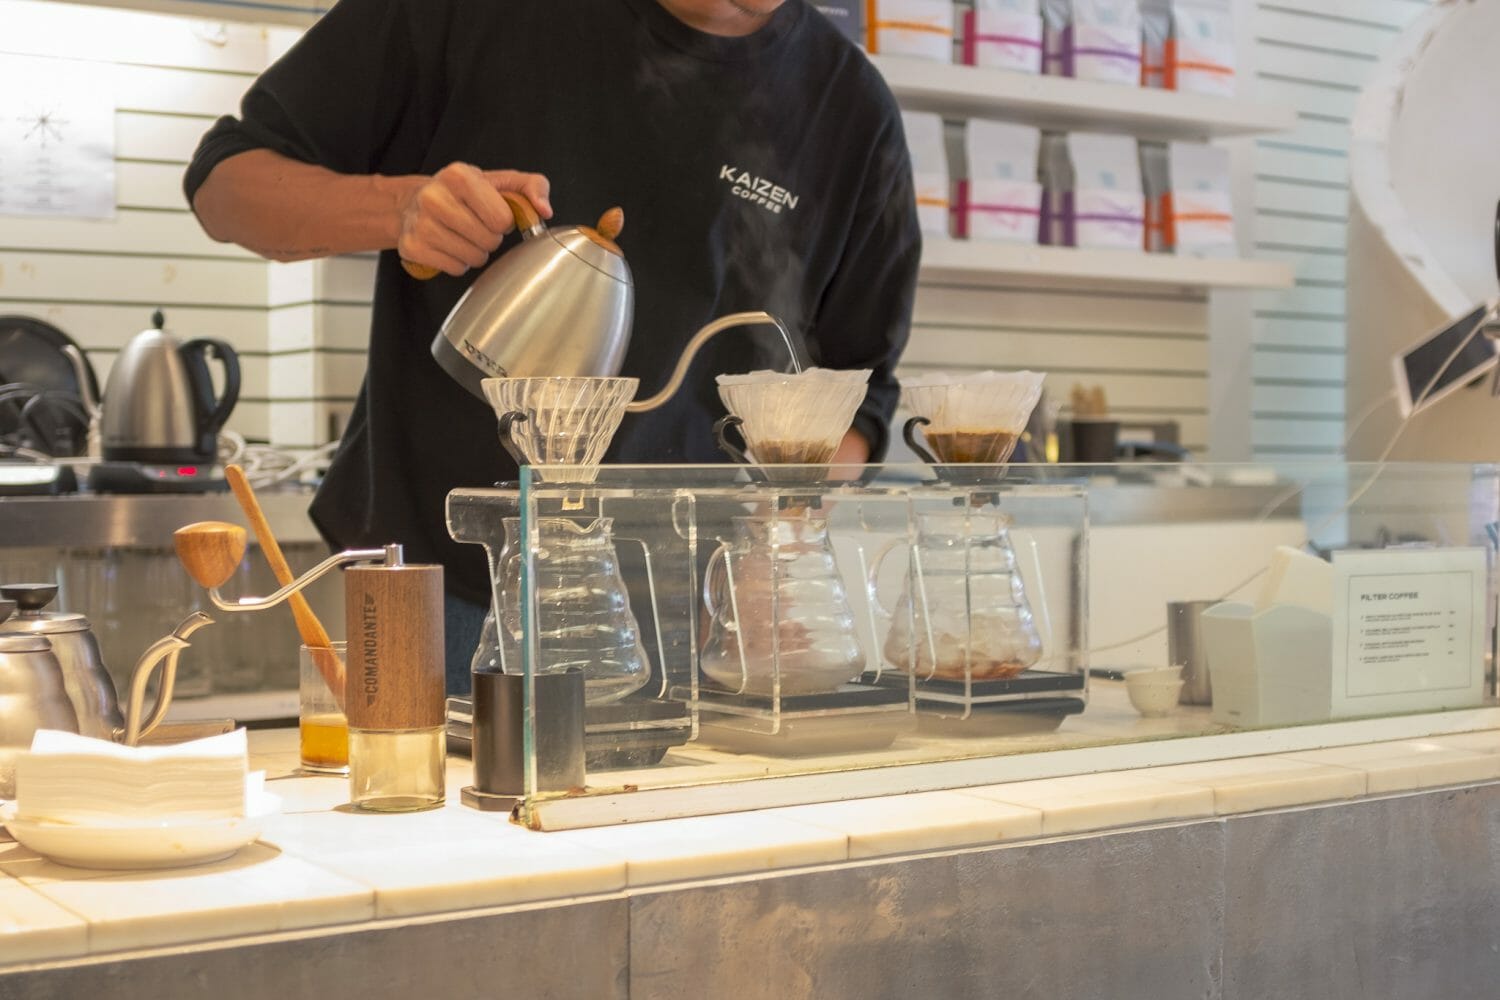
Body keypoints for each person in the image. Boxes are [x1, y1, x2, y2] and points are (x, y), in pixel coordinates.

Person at [184, 0, 921, 694]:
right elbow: (225, 184)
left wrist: (782, 545)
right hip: (437, 592)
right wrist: (401, 209)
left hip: (694, 618)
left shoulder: (848, 108)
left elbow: (856, 392)